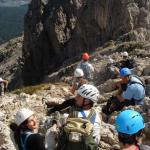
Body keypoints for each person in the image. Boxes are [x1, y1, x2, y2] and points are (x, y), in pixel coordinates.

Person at [51, 84, 101, 150]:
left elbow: (60, 125)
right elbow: (95, 140)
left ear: (87, 101)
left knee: (51, 132)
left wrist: (55, 122)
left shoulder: (73, 114)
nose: (75, 98)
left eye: (79, 96)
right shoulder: (97, 116)